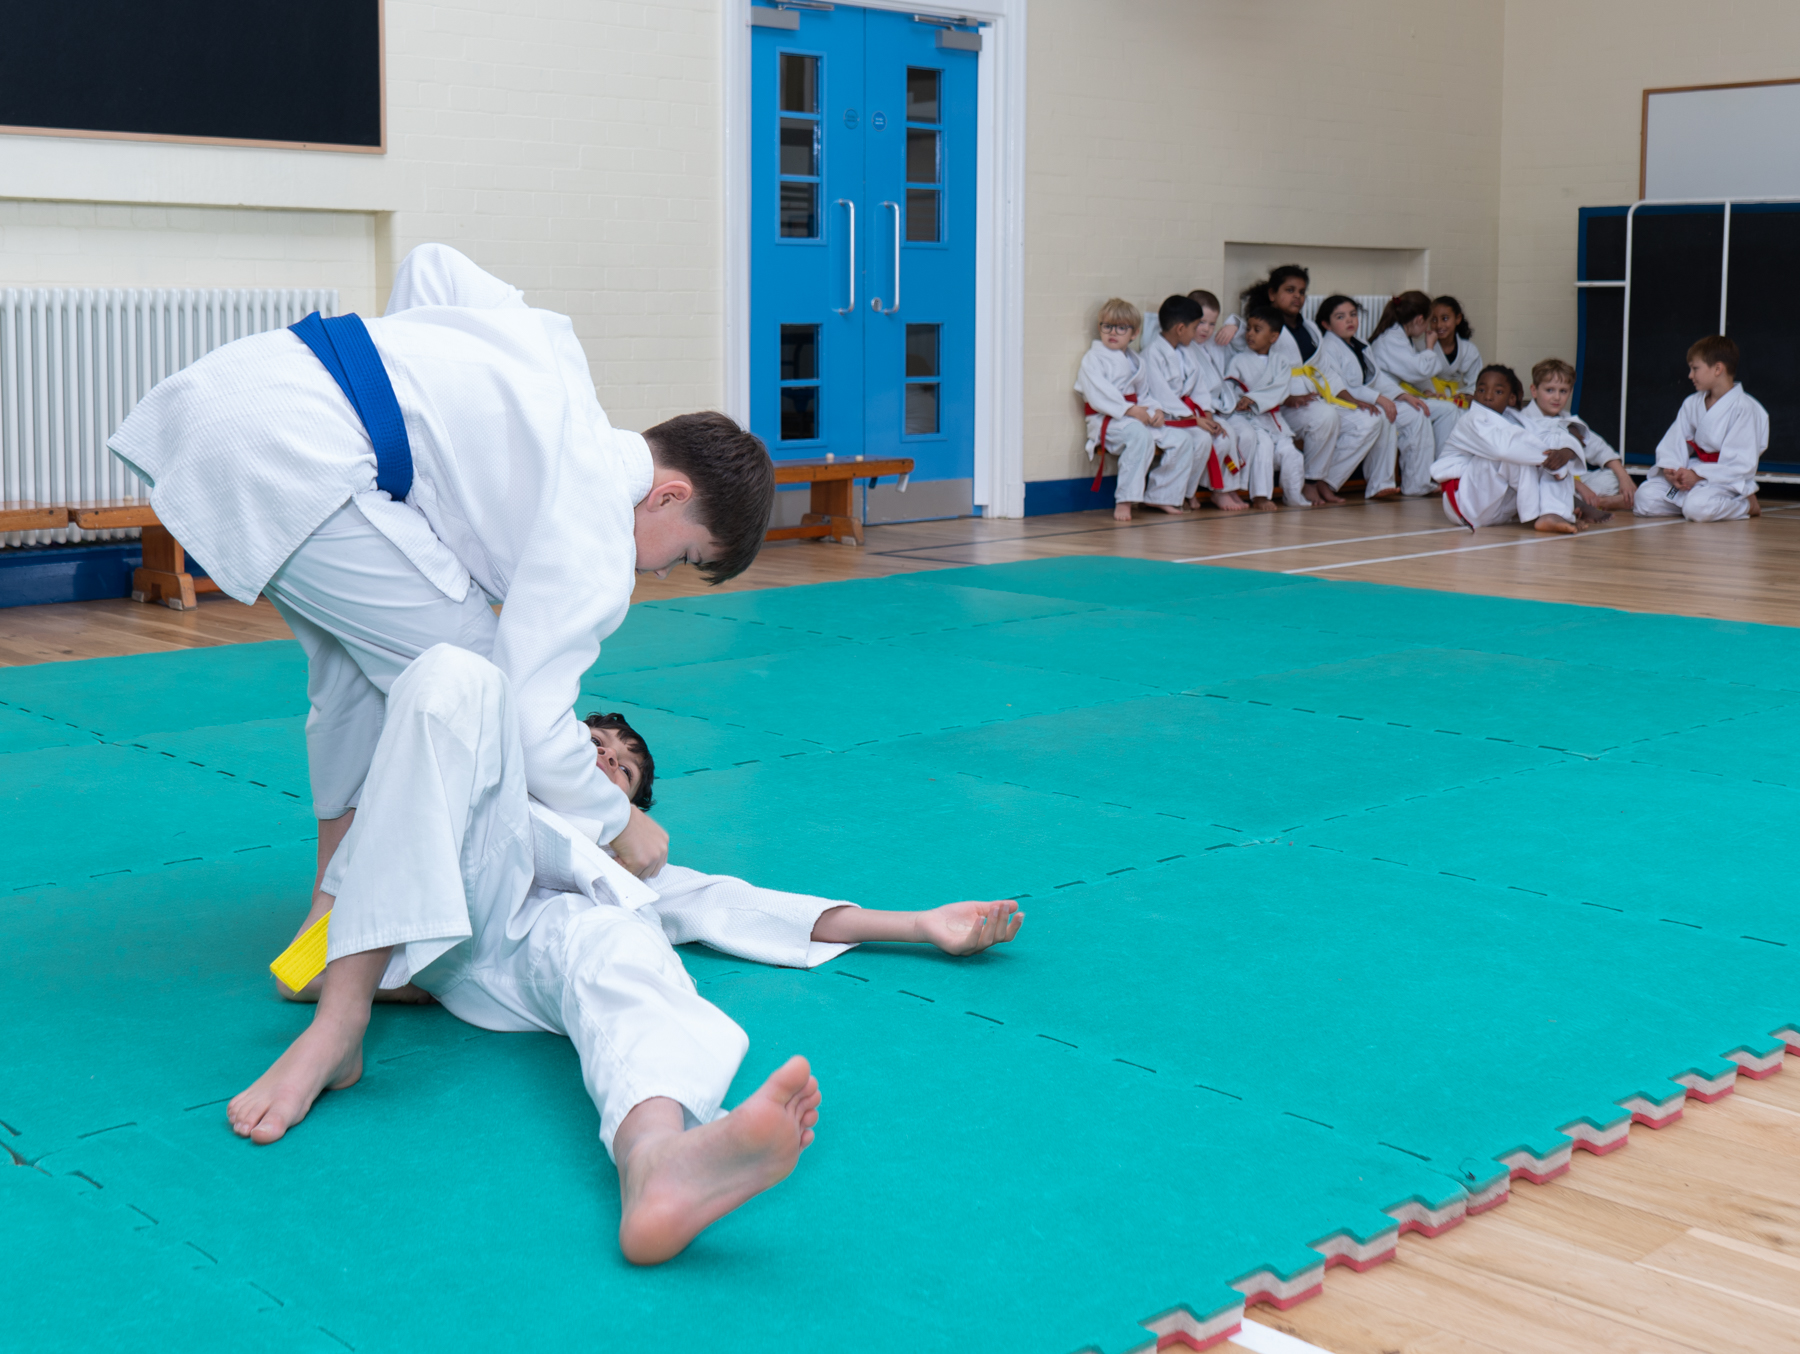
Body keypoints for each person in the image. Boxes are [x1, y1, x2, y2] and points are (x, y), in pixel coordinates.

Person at [230, 644, 1024, 1266]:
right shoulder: (481, 783)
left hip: (528, 956)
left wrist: (920, 924)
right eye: (594, 745)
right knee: (452, 672)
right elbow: (330, 919)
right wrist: (345, 975)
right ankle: (345, 1021)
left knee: (619, 942)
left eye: (624, 769)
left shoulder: (623, 867)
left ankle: (657, 1163)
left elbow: (739, 906)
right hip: (451, 894)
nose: (607, 761)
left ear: (631, 808)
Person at [108, 245, 777, 964]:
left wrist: (413, 383)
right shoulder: (599, 535)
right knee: (471, 693)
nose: (662, 571)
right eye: (684, 556)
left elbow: (431, 265)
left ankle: (321, 932)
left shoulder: (551, 353)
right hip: (303, 454)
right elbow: (529, 717)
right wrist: (617, 820)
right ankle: (371, 942)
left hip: (241, 386)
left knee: (357, 680)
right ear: (669, 496)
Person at [1235, 265, 1357, 505]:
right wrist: (1286, 397)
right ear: (1272, 294)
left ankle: (1322, 481)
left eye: (1301, 292)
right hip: (1279, 405)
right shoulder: (1263, 325)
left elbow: (1324, 369)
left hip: (1312, 396)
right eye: (1290, 290)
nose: (1297, 297)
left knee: (1365, 420)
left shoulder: (1309, 328)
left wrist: (1351, 400)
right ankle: (1310, 482)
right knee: (1326, 417)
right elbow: (1240, 328)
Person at [1430, 365, 1587, 534]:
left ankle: (1553, 513)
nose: (1488, 396)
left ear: (1511, 399)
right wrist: (1550, 458)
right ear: (1474, 394)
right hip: (1465, 503)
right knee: (1515, 453)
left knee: (1554, 455)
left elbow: (1548, 433)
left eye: (1498, 392)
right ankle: (1538, 515)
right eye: (1481, 390)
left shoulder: (1514, 419)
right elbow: (1502, 450)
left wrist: (1566, 451)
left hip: (1497, 511)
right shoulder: (1471, 419)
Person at [1075, 299, 1189, 521]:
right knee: (1140, 436)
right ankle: (1125, 500)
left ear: (1134, 333)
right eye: (1107, 326)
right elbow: (1099, 395)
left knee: (1182, 439)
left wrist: (1156, 410)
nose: (1113, 332)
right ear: (1099, 328)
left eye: (1121, 328)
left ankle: (1161, 495)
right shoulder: (1093, 359)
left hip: (1133, 417)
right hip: (1107, 420)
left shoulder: (1136, 361)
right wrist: (1130, 410)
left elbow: (1144, 394)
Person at [1634, 335, 1767, 523]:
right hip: (1692, 475)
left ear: (1718, 369)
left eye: (1695, 369)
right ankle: (1694, 504)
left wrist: (1698, 476)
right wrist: (1673, 471)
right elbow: (1675, 442)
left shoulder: (1744, 408)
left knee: (1697, 507)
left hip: (1724, 480)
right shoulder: (1692, 403)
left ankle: (1746, 505)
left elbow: (1739, 465)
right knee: (1644, 498)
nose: (1690, 375)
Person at [1140, 294, 1236, 512]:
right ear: (1181, 329)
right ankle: (1159, 495)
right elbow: (1163, 396)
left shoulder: (1187, 350)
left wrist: (1207, 416)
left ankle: (1184, 493)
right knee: (1188, 439)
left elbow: (1198, 387)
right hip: (1162, 417)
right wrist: (1194, 420)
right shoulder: (1152, 354)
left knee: (1203, 439)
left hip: (1186, 415)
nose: (1196, 333)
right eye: (1195, 328)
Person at [1306, 294, 1398, 500]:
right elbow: (1341, 385)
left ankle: (1381, 483)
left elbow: (1375, 378)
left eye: (1353, 315)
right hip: (1334, 402)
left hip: (1353, 400)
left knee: (1386, 416)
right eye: (1340, 317)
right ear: (1326, 324)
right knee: (1371, 419)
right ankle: (1326, 480)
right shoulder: (1328, 347)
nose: (1349, 320)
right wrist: (1376, 398)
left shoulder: (1360, 344)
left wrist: (1401, 396)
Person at [1223, 306, 1309, 511]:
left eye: (1257, 329)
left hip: (1274, 420)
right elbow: (1228, 388)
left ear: (1273, 337)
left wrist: (1253, 398)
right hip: (1249, 419)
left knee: (1292, 455)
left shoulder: (1281, 362)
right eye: (1249, 329)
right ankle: (1260, 496)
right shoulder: (1239, 360)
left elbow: (1281, 390)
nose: (1250, 334)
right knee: (1264, 447)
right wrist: (1239, 401)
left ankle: (1294, 497)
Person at [1517, 359, 1632, 511]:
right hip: (1546, 482)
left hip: (1575, 481)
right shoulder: (1524, 421)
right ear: (1534, 390)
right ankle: (1594, 503)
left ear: (1570, 392)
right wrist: (1578, 486)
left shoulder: (1569, 420)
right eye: (1549, 390)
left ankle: (1595, 503)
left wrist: (1625, 478)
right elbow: (1537, 469)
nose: (1557, 397)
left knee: (1613, 477)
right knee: (1546, 490)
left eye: (1563, 391)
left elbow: (1599, 448)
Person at [1368, 290, 1461, 454]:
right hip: (1386, 400)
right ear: (1419, 320)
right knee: (1447, 411)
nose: (1428, 329)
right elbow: (1420, 370)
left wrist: (1428, 391)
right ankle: (1441, 463)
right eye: (1428, 322)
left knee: (1449, 409)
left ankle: (1442, 463)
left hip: (1396, 396)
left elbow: (1412, 372)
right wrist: (1430, 346)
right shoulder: (1390, 340)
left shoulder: (1401, 337)